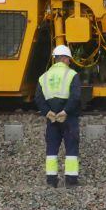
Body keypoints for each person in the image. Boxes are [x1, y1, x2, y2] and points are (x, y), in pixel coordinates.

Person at [35, 44, 81, 188]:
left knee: (51, 151)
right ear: (65, 58)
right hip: (68, 118)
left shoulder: (44, 77)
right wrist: (65, 111)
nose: (69, 62)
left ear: (55, 59)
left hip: (52, 119)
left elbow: (38, 98)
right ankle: (71, 181)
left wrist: (47, 112)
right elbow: (76, 96)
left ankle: (51, 181)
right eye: (69, 59)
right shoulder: (72, 74)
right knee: (71, 149)